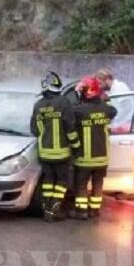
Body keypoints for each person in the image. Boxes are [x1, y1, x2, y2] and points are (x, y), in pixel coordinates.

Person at [31, 71, 79, 222]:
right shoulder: (64, 102)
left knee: (48, 180)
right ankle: (55, 210)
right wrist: (77, 146)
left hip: (44, 153)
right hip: (61, 153)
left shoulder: (38, 105)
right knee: (61, 182)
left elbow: (35, 130)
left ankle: (46, 210)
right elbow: (70, 127)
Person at [72, 76, 117, 220]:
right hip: (102, 158)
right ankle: (94, 210)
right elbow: (113, 110)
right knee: (98, 184)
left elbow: (69, 116)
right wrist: (102, 99)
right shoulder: (107, 110)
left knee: (81, 185)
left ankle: (81, 211)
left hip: (84, 158)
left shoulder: (79, 111)